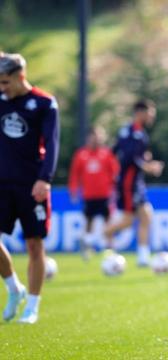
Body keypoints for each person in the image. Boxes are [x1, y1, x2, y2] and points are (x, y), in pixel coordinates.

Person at [0, 53, 60, 324]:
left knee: (34, 244)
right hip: (2, 183)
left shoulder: (45, 103)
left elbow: (52, 144)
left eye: (5, 82)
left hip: (31, 185)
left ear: (20, 77)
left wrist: (44, 178)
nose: (2, 88)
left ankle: (32, 306)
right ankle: (14, 288)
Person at [104, 100, 163, 266]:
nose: (152, 116)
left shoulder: (127, 131)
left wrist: (142, 160)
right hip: (130, 183)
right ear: (140, 112)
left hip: (132, 181)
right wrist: (148, 166)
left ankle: (143, 257)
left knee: (145, 216)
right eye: (150, 112)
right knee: (131, 220)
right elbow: (131, 158)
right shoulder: (136, 132)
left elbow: (115, 152)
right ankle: (95, 237)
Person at [68, 126, 120, 260]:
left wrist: (117, 189)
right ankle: (87, 248)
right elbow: (74, 175)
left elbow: (115, 172)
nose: (97, 138)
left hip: (105, 195)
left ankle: (110, 250)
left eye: (99, 136)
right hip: (89, 195)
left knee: (108, 222)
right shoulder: (81, 154)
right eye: (94, 135)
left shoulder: (107, 154)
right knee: (88, 222)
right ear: (89, 137)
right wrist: (73, 191)